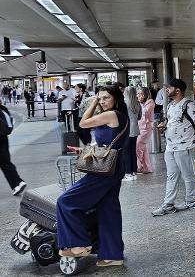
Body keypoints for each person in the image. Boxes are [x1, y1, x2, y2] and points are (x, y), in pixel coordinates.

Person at [56, 85, 129, 267]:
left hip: (104, 171)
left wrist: (94, 100)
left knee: (66, 201)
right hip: (112, 166)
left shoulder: (112, 115)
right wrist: (84, 150)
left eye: (106, 98)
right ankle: (113, 255)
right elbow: (108, 145)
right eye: (100, 98)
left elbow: (82, 123)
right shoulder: (116, 116)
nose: (102, 101)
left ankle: (78, 244)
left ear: (116, 99)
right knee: (107, 210)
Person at [152, 79, 195, 216]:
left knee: (188, 175)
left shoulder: (188, 105)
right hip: (170, 147)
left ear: (177, 90)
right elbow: (171, 121)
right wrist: (164, 126)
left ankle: (191, 201)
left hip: (185, 146)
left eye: (169, 88)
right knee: (171, 176)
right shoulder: (170, 106)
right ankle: (168, 204)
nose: (166, 90)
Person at [0, 102, 26, 196]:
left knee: (5, 163)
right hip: (3, 138)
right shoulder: (3, 109)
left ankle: (17, 183)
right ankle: (17, 183)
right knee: (5, 163)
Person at [122, 87, 142, 181]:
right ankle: (134, 172)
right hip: (135, 129)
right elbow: (139, 117)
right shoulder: (137, 103)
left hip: (127, 129)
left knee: (126, 152)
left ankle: (128, 173)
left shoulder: (125, 103)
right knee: (133, 151)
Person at [136, 87, 154, 173]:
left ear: (145, 95)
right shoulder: (141, 103)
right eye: (138, 94)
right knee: (144, 149)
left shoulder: (150, 102)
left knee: (138, 146)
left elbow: (145, 112)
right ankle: (146, 168)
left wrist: (138, 104)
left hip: (146, 129)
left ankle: (138, 166)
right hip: (139, 127)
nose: (138, 96)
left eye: (140, 94)